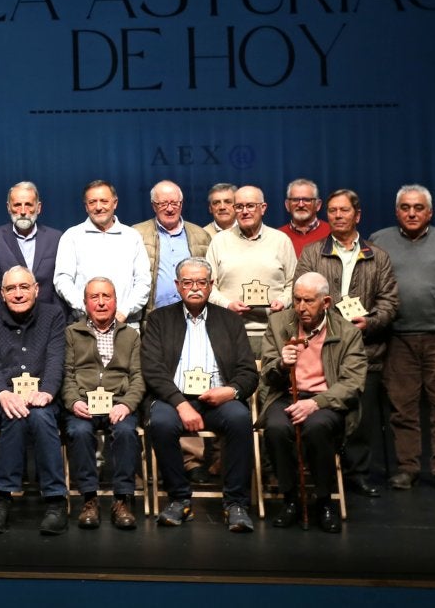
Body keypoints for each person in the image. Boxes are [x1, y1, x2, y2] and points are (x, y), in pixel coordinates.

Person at [369, 184, 435, 494]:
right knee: (402, 408)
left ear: (430, 212)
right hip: (397, 338)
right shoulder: (380, 241)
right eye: (406, 207)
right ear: (396, 211)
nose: (412, 212)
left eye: (418, 208)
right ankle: (408, 468)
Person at [295, 189, 399, 498]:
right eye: (332, 211)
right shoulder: (313, 253)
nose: (338, 216)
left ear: (358, 215)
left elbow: (390, 302)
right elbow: (298, 294)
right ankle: (320, 472)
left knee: (360, 416)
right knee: (322, 413)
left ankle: (357, 474)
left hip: (364, 347)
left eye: (344, 210)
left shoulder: (377, 255)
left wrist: (370, 322)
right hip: (320, 346)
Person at [142, 257, 258, 533]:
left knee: (240, 419)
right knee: (160, 422)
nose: (194, 287)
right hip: (175, 398)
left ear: (210, 285)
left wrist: (230, 391)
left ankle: (236, 504)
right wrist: (181, 404)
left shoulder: (230, 321)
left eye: (201, 282)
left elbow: (248, 372)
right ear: (178, 286)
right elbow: (153, 370)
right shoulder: (159, 319)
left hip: (218, 398)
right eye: (188, 282)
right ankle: (179, 498)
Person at [258, 272, 367, 533]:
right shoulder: (278, 323)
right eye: (297, 300)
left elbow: (353, 383)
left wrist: (317, 402)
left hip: (326, 400)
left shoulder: (347, 332)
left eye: (308, 301)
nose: (301, 307)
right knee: (276, 427)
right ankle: (291, 499)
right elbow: (267, 375)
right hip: (285, 394)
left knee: (317, 428)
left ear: (326, 302)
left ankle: (324, 501)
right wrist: (282, 364)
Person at [0, 266, 69, 535]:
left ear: (36, 289)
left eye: (24, 287)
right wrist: (3, 393)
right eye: (11, 289)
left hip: (43, 396)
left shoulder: (53, 315)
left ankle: (55, 501)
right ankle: (3, 500)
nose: (18, 294)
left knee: (40, 416)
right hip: (2, 398)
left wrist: (47, 391)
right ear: (2, 293)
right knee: (14, 415)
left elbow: (56, 360)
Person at [62, 277, 143, 530]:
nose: (100, 302)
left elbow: (139, 377)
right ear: (85, 303)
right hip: (84, 403)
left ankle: (122, 499)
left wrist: (127, 404)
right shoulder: (71, 333)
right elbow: (66, 374)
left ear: (115, 301)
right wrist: (74, 401)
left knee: (127, 431)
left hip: (118, 403)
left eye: (106, 296)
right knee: (78, 431)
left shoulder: (131, 335)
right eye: (94, 297)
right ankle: (89, 498)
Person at [204, 185, 296, 356]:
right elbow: (208, 286)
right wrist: (227, 305)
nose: (244, 211)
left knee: (271, 382)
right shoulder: (219, 241)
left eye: (250, 205)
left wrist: (283, 301)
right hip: (229, 331)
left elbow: (293, 284)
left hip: (273, 332)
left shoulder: (281, 240)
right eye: (239, 206)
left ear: (263, 208)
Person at [54, 180, 150, 326]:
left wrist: (124, 311)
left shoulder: (132, 236)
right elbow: (62, 280)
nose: (98, 207)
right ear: (86, 206)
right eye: (92, 202)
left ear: (115, 203)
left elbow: (143, 281)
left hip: (126, 324)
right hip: (84, 324)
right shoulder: (72, 236)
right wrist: (87, 308)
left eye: (104, 201)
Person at [132, 179, 212, 320]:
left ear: (181, 205)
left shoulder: (201, 235)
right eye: (163, 204)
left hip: (193, 316)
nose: (169, 209)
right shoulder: (136, 234)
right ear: (153, 206)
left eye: (174, 203)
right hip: (152, 317)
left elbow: (210, 279)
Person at [0, 181, 64, 313]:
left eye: (28, 205)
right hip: (8, 320)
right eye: (17, 205)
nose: (23, 211)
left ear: (38, 208)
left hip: (48, 320)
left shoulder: (56, 238)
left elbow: (58, 287)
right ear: (8, 207)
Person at [280, 178, 331, 256]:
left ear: (318, 205)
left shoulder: (333, 233)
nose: (301, 205)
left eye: (307, 200)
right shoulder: (278, 236)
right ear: (287, 205)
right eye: (295, 200)